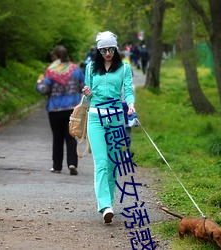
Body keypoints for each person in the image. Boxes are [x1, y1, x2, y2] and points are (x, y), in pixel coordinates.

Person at [82, 31, 135, 223]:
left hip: (116, 118)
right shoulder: (90, 68)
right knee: (102, 163)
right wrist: (87, 92)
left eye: (111, 49)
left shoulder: (124, 68)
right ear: (98, 50)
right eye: (103, 50)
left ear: (116, 48)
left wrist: (130, 104)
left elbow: (128, 90)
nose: (107, 53)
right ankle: (104, 205)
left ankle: (109, 201)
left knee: (113, 164)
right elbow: (88, 97)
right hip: (95, 118)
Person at [36, 45, 85, 175]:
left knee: (57, 138)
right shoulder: (76, 70)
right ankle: (72, 163)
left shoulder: (51, 71)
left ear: (55, 57)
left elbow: (44, 90)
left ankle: (57, 166)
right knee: (71, 137)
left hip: (55, 109)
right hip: (72, 109)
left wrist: (39, 83)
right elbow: (83, 87)